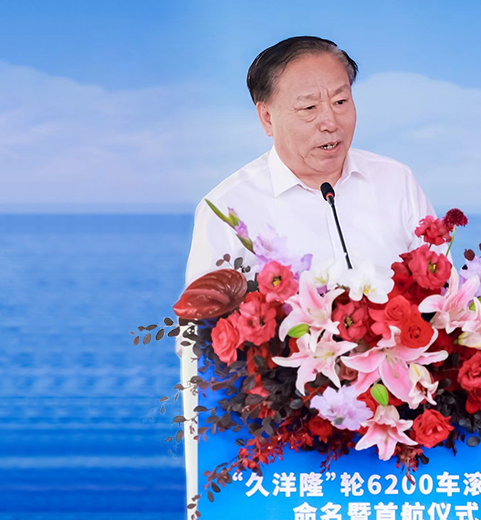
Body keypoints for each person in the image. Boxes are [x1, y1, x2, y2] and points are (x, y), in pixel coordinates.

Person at [179, 36, 437, 508]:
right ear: (266, 118)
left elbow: (443, 299)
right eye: (308, 107)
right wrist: (205, 498)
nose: (330, 121)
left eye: (340, 100)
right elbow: (200, 349)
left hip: (401, 450)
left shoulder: (395, 181)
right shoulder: (228, 208)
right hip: (290, 453)